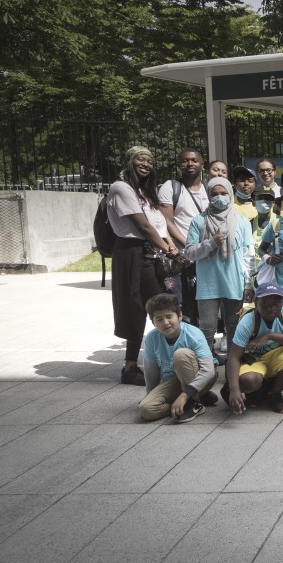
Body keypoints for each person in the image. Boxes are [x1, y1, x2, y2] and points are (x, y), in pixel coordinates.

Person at [106, 145, 177, 385]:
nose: (146, 164)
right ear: (129, 161)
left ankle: (169, 359)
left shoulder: (145, 192)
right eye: (140, 159)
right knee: (136, 307)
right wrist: (167, 250)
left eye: (149, 161)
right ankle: (130, 367)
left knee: (162, 303)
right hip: (131, 253)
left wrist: (169, 243)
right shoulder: (121, 188)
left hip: (151, 253)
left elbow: (158, 223)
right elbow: (142, 227)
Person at [183, 177, 253, 358]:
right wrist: (211, 243)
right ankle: (205, 366)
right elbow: (189, 253)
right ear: (208, 195)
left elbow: (248, 255)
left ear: (230, 194)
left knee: (233, 327)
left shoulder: (241, 221)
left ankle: (232, 366)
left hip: (233, 282)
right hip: (208, 284)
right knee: (207, 328)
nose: (219, 197)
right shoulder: (199, 221)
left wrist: (247, 284)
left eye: (223, 193)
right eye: (215, 194)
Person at [224, 283, 283, 414]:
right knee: (250, 381)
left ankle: (274, 394)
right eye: (265, 304)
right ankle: (238, 391)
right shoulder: (247, 322)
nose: (271, 308)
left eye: (276, 303)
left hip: (275, 357)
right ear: (256, 303)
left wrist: (269, 335)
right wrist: (234, 389)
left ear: (282, 302)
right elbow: (234, 357)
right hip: (253, 360)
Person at [138, 293, 218, 423]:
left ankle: (192, 402)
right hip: (173, 381)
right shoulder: (152, 339)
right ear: (153, 322)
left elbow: (208, 370)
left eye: (169, 316)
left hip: (201, 376)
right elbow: (151, 371)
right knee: (146, 409)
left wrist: (185, 394)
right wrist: (151, 395)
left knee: (181, 355)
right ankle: (188, 402)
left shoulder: (193, 334)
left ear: (180, 316)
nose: (165, 322)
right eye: (159, 319)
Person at [158, 147, 208, 323]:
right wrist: (188, 245)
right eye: (185, 160)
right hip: (181, 257)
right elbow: (166, 221)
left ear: (202, 164)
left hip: (206, 257)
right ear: (179, 164)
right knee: (180, 304)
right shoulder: (170, 187)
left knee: (202, 304)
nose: (190, 164)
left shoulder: (209, 189)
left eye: (194, 160)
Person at [230, 165, 259, 232]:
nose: (246, 183)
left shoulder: (260, 203)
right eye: (242, 180)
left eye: (250, 180)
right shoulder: (229, 202)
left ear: (256, 184)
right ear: (235, 184)